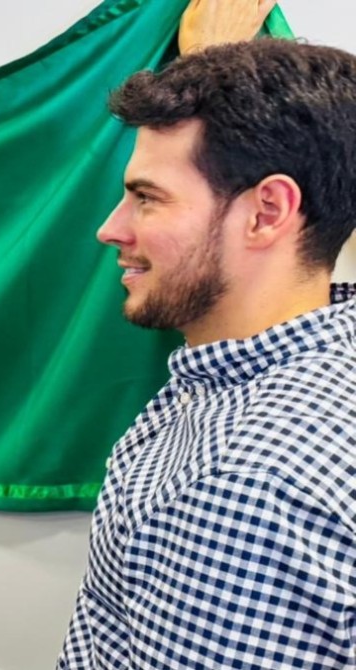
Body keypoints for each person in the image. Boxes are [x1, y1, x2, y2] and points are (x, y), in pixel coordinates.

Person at [58, 39, 356, 668]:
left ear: (266, 212)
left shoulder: (244, 483)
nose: (111, 228)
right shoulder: (311, 364)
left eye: (147, 197)